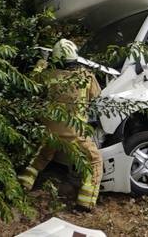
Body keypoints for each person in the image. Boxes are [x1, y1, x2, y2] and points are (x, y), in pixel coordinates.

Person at [18, 39, 103, 211]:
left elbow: (32, 84)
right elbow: (98, 97)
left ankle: (22, 185)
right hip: (74, 132)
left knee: (43, 154)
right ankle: (86, 203)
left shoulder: (47, 75)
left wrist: (41, 63)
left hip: (49, 129)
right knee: (95, 160)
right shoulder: (86, 76)